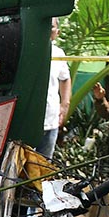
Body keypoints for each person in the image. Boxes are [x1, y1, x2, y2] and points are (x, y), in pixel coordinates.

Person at [39, 19, 71, 159]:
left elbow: (65, 79)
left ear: (57, 32)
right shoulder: (26, 49)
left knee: (44, 166)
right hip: (27, 121)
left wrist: (64, 105)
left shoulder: (58, 53)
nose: (47, 30)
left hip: (51, 118)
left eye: (51, 27)